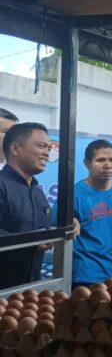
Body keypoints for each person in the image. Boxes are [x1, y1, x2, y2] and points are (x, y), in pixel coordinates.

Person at [56, 140, 112, 288]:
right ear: (87, 163)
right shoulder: (72, 194)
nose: (108, 165)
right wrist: (70, 221)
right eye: (101, 160)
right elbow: (56, 225)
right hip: (86, 274)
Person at [0, 123, 56, 288]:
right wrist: (31, 244)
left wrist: (67, 224)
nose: (47, 153)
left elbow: (41, 229)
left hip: (31, 288)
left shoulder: (37, 193)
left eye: (48, 148)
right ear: (15, 149)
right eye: (41, 146)